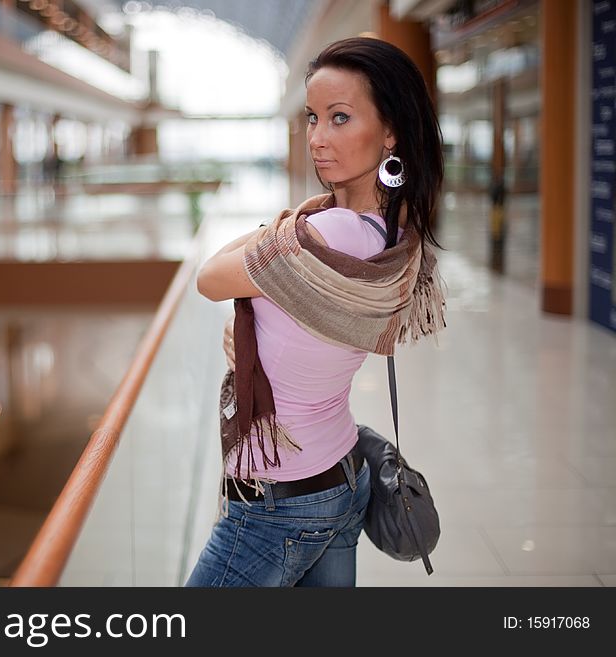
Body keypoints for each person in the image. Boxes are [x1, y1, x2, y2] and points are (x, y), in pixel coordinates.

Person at [186, 37, 446, 587]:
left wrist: (282, 226)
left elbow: (209, 276)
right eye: (312, 118)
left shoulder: (325, 232)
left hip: (278, 503)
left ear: (391, 131)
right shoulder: (392, 232)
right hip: (342, 475)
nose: (318, 139)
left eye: (341, 118)